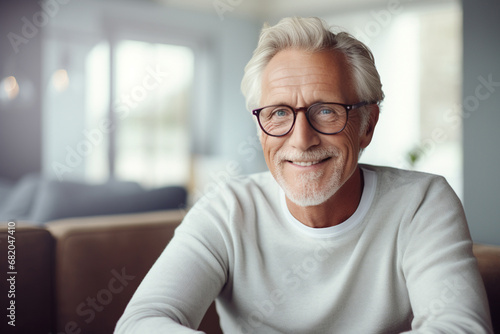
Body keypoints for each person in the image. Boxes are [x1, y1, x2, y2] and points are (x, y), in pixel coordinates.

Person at [115, 17, 493, 333]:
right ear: (261, 128)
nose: (301, 139)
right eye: (278, 112)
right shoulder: (226, 210)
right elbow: (142, 322)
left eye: (326, 110)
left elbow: (461, 328)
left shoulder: (421, 203)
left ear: (367, 125)